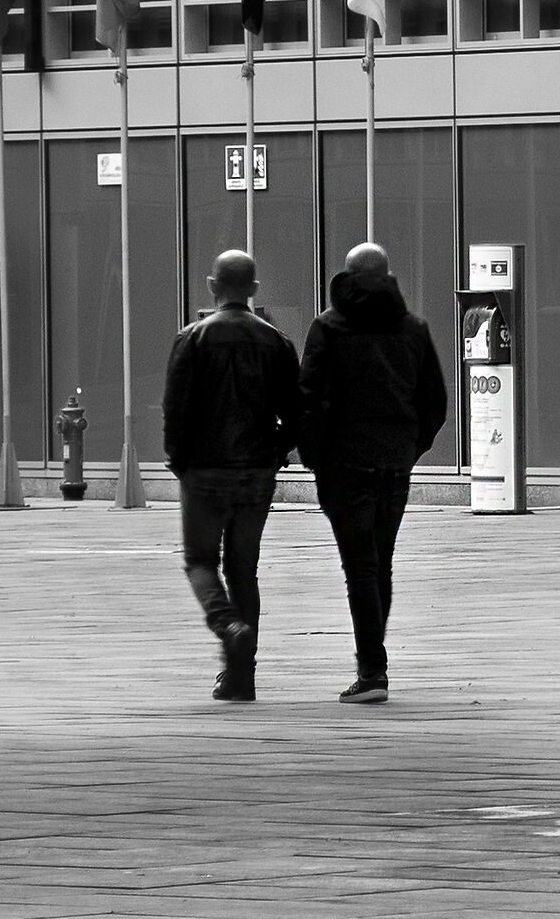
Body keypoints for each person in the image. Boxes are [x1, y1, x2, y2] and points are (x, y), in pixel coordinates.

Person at [296, 242, 448, 704]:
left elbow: (308, 397)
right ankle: (372, 665)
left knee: (359, 565)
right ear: (388, 276)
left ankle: (372, 670)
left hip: (344, 464)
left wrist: (315, 456)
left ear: (346, 276)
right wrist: (410, 448)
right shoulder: (413, 328)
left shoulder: (328, 327)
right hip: (394, 462)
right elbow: (435, 401)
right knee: (381, 562)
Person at [162, 249, 300, 702]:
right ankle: (242, 676)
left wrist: (178, 459)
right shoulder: (276, 341)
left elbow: (175, 408)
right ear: (254, 289)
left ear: (211, 286)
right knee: (244, 570)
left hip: (204, 468)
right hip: (255, 470)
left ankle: (227, 626)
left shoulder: (192, 338)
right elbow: (294, 411)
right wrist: (276, 453)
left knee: (200, 560)